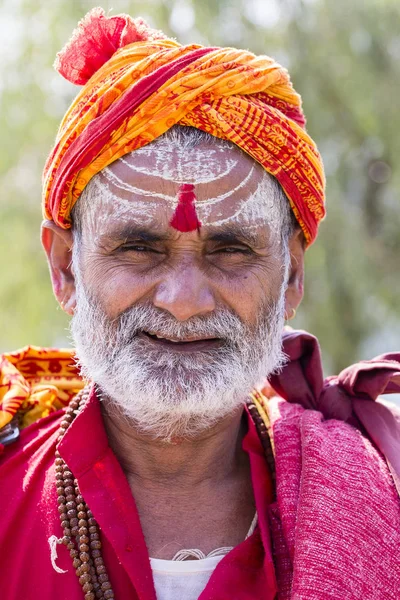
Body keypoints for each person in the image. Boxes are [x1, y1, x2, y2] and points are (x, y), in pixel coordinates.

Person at [0, 7, 399, 600]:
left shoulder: (371, 494)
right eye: (138, 248)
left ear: (291, 275)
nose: (184, 301)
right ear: (64, 268)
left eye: (232, 250)